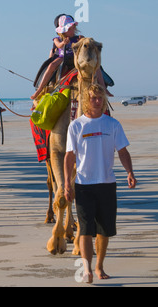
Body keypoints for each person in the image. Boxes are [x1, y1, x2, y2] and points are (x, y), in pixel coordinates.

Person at [64, 84, 137, 283]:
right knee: (86, 229)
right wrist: (66, 184)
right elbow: (69, 157)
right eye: (93, 98)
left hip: (107, 183)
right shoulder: (76, 125)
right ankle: (86, 268)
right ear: (86, 100)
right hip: (84, 184)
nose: (97, 101)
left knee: (104, 231)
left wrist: (129, 171)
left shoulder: (112, 124)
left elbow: (122, 151)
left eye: (100, 97)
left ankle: (99, 265)